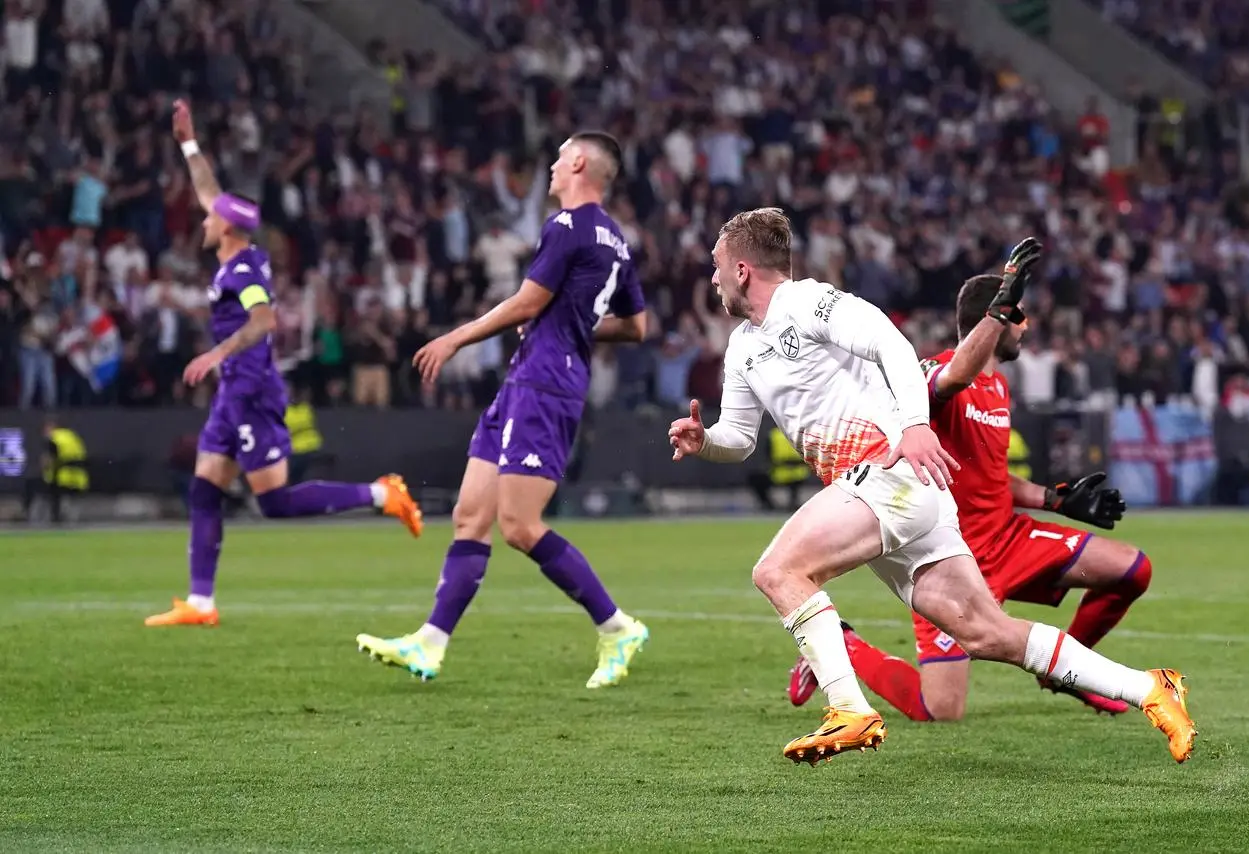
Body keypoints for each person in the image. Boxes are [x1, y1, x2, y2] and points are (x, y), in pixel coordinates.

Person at [667, 210, 1196, 764]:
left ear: (744, 269)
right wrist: (707, 440)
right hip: (889, 493)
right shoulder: (744, 347)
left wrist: (915, 426)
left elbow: (890, 344)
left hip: (889, 472)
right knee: (986, 633)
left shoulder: (808, 302)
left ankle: (847, 707)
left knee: (778, 571)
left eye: (717, 266)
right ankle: (1151, 688)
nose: (713, 278)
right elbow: (741, 437)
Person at [788, 263, 1154, 720]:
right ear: (995, 317)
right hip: (952, 558)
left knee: (1132, 570)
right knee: (940, 709)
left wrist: (1055, 499)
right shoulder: (936, 372)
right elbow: (953, 378)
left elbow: (990, 474)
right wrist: (1000, 311)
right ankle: (844, 643)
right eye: (1018, 316)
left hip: (1010, 540)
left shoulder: (998, 385)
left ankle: (1064, 670)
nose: (1026, 326)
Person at [356, 132, 651, 689]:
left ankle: (616, 627)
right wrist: (575, 323)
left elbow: (527, 301)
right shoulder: (616, 238)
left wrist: (454, 339)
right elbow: (636, 327)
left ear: (580, 164)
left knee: (518, 525)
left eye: (560, 157)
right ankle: (430, 643)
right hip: (527, 381)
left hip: (545, 384)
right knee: (471, 514)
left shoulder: (567, 227)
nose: (552, 166)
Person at [145, 100, 423, 628]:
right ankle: (201, 603)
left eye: (211, 216)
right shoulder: (235, 253)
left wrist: (216, 353)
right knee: (205, 488)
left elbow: (265, 321)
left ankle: (382, 494)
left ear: (226, 227)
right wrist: (188, 142)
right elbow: (208, 189)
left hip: (251, 390)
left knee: (273, 502)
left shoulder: (242, 273)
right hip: (232, 393)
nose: (204, 217)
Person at [23, 418, 88, 523]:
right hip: (78, 477)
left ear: (50, 427)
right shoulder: (71, 436)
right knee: (67, 497)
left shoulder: (54, 439)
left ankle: (53, 519)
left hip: (62, 477)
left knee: (44, 492)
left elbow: (48, 460)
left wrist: (43, 468)